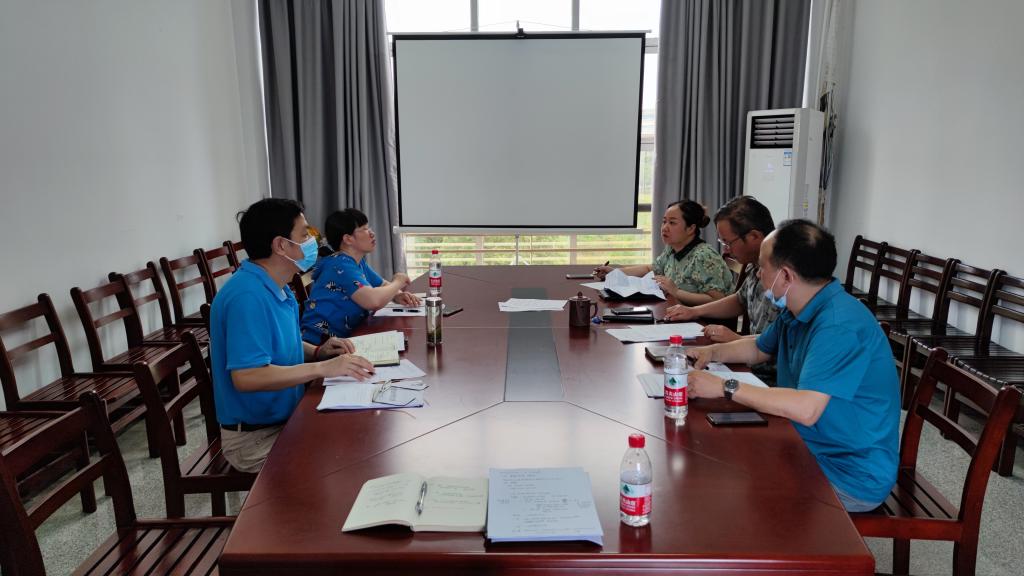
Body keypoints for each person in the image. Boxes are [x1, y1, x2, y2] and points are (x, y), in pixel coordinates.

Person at [685, 219, 900, 512]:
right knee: (719, 455)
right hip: (804, 444)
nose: (758, 274)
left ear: (785, 275)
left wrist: (725, 386)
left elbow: (806, 409)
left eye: (762, 267)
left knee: (726, 487)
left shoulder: (839, 326)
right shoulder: (802, 306)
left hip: (847, 473)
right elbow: (759, 348)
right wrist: (711, 352)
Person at [210, 198, 376, 473]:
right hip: (255, 439)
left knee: (361, 434)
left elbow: (279, 342)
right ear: (281, 245)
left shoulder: (277, 285)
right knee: (348, 460)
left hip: (287, 417)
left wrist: (318, 352)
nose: (313, 241)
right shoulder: (247, 296)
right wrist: (322, 368)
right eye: (304, 234)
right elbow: (247, 376)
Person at [664, 196, 779, 343]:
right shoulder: (754, 264)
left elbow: (778, 344)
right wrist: (694, 311)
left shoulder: (781, 277)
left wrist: (736, 339)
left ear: (754, 236)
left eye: (728, 242)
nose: (725, 250)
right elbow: (739, 300)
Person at [300, 208, 419, 344]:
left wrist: (397, 294)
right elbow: (373, 301)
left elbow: (381, 284)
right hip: (322, 343)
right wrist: (398, 282)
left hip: (347, 337)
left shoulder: (356, 261)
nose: (372, 233)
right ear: (348, 239)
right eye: (365, 229)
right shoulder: (341, 266)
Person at [593, 200, 733, 305]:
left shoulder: (704, 256)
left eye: (672, 223)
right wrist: (615, 272)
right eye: (664, 222)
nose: (664, 228)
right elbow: (650, 269)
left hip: (703, 322)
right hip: (677, 311)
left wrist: (676, 292)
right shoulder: (672, 248)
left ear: (691, 228)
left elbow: (717, 300)